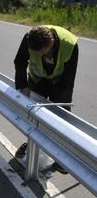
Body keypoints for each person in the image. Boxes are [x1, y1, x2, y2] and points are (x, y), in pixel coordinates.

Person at [14, 25, 79, 173]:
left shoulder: (70, 45)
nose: (40, 56)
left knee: (61, 118)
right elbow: (20, 62)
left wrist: (59, 102)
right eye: (36, 53)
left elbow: (68, 80)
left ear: (51, 44)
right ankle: (31, 144)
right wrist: (23, 86)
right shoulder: (29, 38)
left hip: (60, 81)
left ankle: (62, 156)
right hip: (37, 79)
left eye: (43, 53)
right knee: (35, 113)